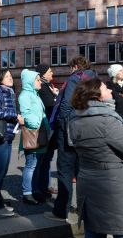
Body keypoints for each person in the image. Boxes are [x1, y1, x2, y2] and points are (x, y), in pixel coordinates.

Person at [70, 78, 123, 238]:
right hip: (114, 188)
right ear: (97, 96)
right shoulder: (108, 121)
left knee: (94, 231)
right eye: (105, 89)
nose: (111, 91)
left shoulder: (75, 120)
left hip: (88, 186)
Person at [45, 56, 97, 221]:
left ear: (75, 66)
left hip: (70, 130)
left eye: (70, 67)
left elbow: (66, 105)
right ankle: (86, 209)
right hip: (88, 130)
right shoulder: (95, 80)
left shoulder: (75, 78)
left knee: (65, 170)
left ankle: (61, 211)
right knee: (84, 171)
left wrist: (60, 126)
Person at [0, 69, 24, 216]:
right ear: (0, 78)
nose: (10, 78)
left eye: (10, 76)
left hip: (6, 136)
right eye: (7, 76)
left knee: (1, 173)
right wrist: (15, 116)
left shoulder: (9, 91)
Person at [19, 69, 50, 205]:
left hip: (40, 134)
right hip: (33, 134)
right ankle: (27, 193)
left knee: (36, 165)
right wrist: (37, 122)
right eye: (37, 80)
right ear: (30, 82)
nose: (40, 82)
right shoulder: (25, 95)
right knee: (31, 165)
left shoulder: (35, 95)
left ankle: (35, 191)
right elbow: (25, 114)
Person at [36, 64, 59, 197]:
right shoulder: (43, 87)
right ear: (44, 74)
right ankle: (41, 187)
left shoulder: (47, 86)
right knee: (43, 160)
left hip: (49, 128)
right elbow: (50, 103)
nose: (52, 73)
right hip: (45, 128)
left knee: (46, 159)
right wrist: (56, 97)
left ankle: (46, 186)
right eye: (50, 71)